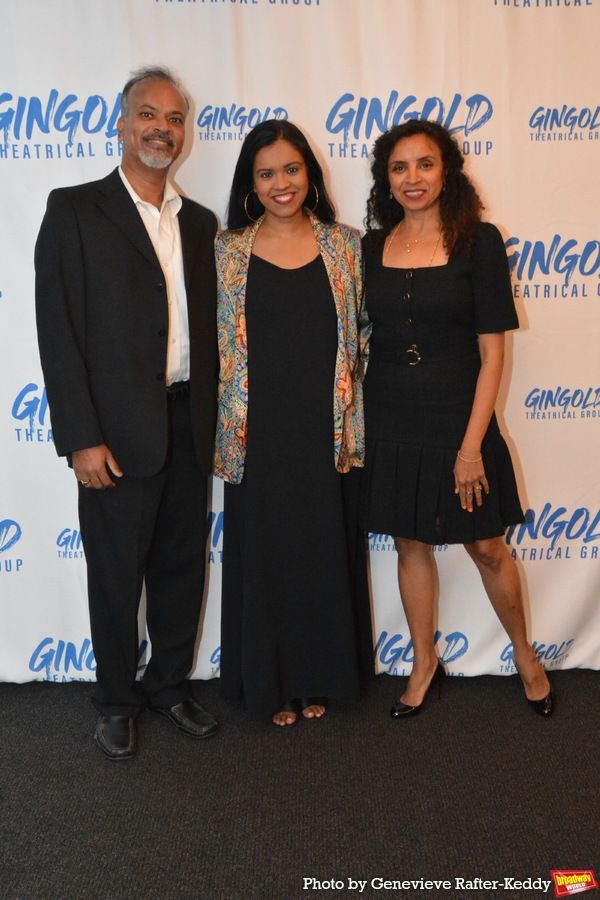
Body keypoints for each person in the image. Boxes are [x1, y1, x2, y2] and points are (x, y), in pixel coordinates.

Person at [35, 67, 219, 759]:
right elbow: (59, 333)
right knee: (115, 576)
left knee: (181, 569)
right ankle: (115, 699)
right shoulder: (75, 209)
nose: (162, 129)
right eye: (148, 114)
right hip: (113, 434)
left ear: (185, 133)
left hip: (187, 422)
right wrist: (80, 437)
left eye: (174, 119)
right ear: (120, 122)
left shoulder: (200, 224)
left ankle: (169, 687)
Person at [361, 120, 553, 718]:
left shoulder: (479, 241)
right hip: (390, 413)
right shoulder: (371, 246)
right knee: (409, 542)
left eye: (425, 164)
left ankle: (525, 653)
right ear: (385, 179)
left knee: (488, 546)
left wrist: (471, 447)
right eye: (399, 167)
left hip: (459, 418)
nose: (412, 178)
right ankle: (424, 663)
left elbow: (493, 353)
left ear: (447, 172)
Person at [214, 119, 373, 726]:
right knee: (267, 555)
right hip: (256, 432)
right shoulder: (226, 252)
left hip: (325, 427)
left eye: (291, 169)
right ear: (250, 184)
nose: (281, 183)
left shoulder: (345, 245)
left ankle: (319, 679)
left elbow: (364, 334)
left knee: (322, 551)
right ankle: (271, 683)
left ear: (310, 173)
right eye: (266, 173)